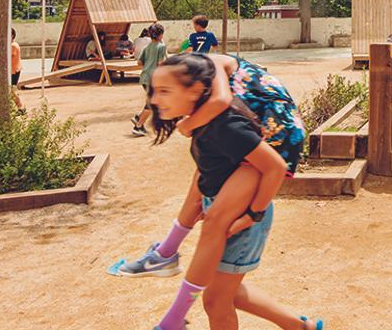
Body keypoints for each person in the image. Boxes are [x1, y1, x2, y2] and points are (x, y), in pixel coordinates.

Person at [131, 54, 324, 330]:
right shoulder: (213, 122)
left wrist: (253, 214)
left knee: (216, 298)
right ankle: (300, 326)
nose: (155, 100)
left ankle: (173, 312)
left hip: (277, 138)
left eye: (164, 90)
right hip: (260, 142)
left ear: (195, 86)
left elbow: (222, 103)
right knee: (225, 292)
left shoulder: (222, 115)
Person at [175, 52, 307, 174]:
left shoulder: (211, 63)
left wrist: (187, 125)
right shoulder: (210, 74)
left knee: (237, 190)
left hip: (276, 124)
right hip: (280, 124)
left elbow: (220, 101)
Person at [132, 23, 168, 137]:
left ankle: (139, 119)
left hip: (144, 77)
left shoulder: (147, 47)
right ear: (161, 35)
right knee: (152, 103)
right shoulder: (161, 47)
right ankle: (138, 125)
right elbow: (161, 64)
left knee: (152, 101)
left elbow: (139, 62)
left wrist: (148, 67)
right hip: (154, 78)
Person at [9, 28, 25, 112]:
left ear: (12, 35)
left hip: (14, 71)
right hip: (13, 70)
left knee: (12, 90)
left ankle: (20, 107)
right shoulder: (12, 44)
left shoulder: (12, 45)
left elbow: (7, 57)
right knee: (11, 90)